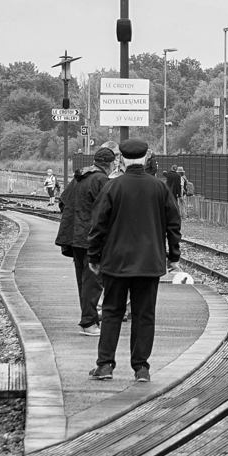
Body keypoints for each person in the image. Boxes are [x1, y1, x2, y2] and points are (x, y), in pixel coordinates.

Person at [84, 138, 182, 383]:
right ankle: (141, 368)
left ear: (122, 159)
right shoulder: (159, 188)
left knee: (112, 312)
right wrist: (174, 258)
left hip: (116, 263)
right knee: (144, 315)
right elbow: (173, 225)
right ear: (146, 158)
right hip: (150, 264)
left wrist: (94, 257)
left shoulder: (112, 187)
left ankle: (105, 365)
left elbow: (98, 226)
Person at [54, 145, 114, 336]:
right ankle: (88, 322)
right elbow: (109, 209)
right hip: (91, 239)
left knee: (84, 281)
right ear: (110, 164)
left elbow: (62, 202)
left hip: (75, 238)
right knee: (93, 282)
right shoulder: (101, 180)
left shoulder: (80, 177)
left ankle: (89, 316)